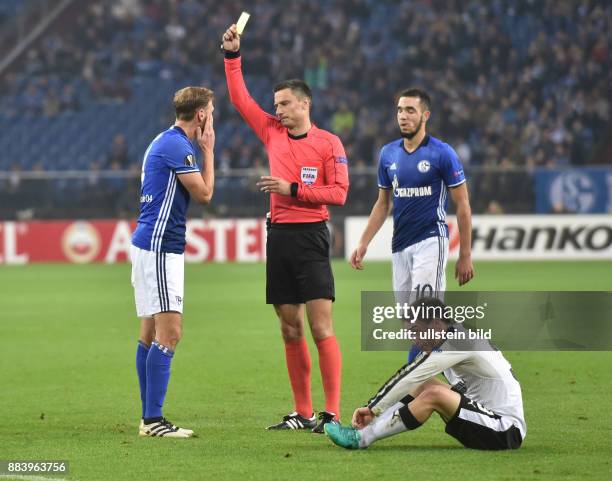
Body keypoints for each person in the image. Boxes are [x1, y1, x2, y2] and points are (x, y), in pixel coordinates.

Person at [222, 24, 349, 433]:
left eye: (285, 103)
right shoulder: (271, 133)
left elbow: (340, 194)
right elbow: (240, 100)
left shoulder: (330, 143)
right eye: (276, 104)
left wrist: (292, 188)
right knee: (289, 327)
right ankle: (303, 413)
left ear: (305, 105)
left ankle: (330, 413)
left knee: (320, 326)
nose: (278, 110)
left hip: (312, 236)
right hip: (278, 236)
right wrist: (232, 56)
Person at [349, 88, 474, 363]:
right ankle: (452, 374)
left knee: (423, 317)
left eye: (410, 111)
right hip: (400, 246)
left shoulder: (443, 153)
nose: (403, 116)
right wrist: (363, 241)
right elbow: (383, 203)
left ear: (425, 116)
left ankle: (413, 389)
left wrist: (465, 254)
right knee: (410, 323)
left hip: (431, 240)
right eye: (399, 110)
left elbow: (462, 205)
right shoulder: (388, 154)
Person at [324, 298, 526, 451]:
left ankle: (362, 439)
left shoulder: (458, 342)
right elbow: (416, 378)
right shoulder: (455, 337)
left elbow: (412, 374)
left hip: (505, 430)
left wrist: (372, 407)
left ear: (437, 324)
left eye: (416, 331)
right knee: (425, 384)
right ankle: (362, 430)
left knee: (432, 393)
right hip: (484, 417)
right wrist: (374, 409)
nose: (414, 339)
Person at [131, 86, 215, 438]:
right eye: (211, 112)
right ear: (200, 115)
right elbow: (205, 194)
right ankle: (153, 421)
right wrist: (208, 151)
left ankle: (147, 416)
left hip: (147, 243)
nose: (212, 119)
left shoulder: (160, 141)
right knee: (171, 333)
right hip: (161, 247)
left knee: (150, 333)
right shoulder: (179, 146)